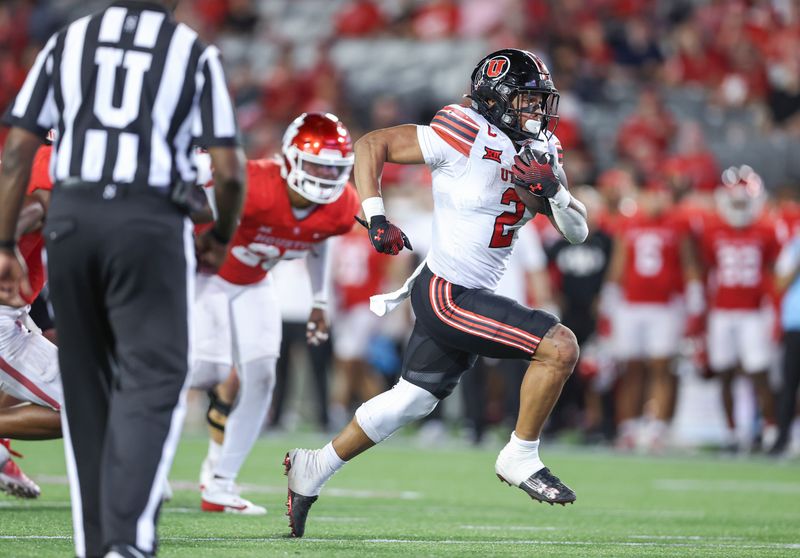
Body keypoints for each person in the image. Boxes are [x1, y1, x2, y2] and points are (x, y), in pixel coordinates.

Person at [284, 48, 589, 538]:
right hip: (448, 291)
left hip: (467, 291)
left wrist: (553, 190)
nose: (535, 112)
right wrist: (377, 214)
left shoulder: (544, 148)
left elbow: (576, 231)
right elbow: (372, 144)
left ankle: (312, 468)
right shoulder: (464, 128)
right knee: (559, 346)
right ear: (495, 99)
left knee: (411, 401)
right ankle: (520, 454)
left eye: (540, 102)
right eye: (526, 101)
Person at [0, 2, 245, 556]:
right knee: (154, 381)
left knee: (85, 392)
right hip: (147, 222)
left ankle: (96, 544)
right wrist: (220, 236)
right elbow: (228, 173)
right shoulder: (190, 50)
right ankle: (127, 543)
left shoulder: (70, 41)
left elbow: (17, 149)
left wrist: (1, 245)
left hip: (74, 223)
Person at [192, 112, 360, 514]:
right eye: (316, 164)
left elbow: (322, 239)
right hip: (204, 277)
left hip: (252, 280)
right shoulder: (253, 182)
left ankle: (220, 484)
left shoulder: (341, 205)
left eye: (332, 168)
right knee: (203, 371)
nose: (323, 175)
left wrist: (319, 300)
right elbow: (194, 204)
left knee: (262, 375)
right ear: (289, 159)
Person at [602, 183, 701, 452]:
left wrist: (694, 296)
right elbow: (619, 262)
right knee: (631, 367)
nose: (655, 199)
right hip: (631, 305)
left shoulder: (678, 223)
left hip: (665, 306)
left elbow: (688, 261)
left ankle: (657, 427)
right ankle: (629, 427)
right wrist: (609, 296)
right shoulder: (628, 222)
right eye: (650, 193)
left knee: (661, 365)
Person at [697, 166, 780, 451]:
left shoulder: (768, 230)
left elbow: (774, 271)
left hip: (754, 311)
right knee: (725, 373)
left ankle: (769, 430)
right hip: (723, 311)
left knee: (759, 372)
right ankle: (732, 433)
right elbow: (708, 269)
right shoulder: (711, 230)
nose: (740, 207)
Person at [0, 143, 59, 499]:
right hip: (4, 324)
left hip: (16, 318)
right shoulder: (48, 159)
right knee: (86, 406)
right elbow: (38, 206)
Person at [770, 229, 800, 455]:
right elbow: (780, 282)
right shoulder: (794, 245)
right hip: (796, 322)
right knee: (789, 383)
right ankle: (782, 438)